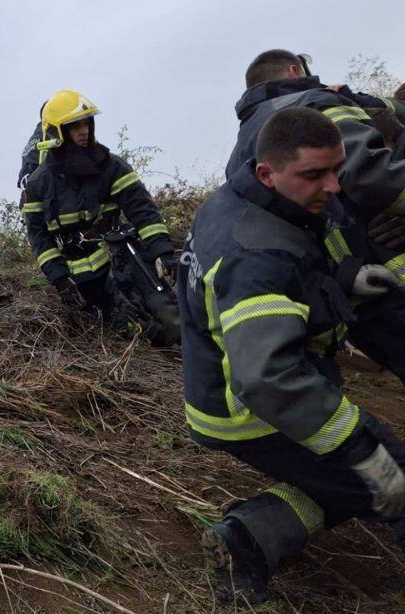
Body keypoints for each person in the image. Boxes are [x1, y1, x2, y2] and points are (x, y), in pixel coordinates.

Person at [178, 107, 405, 605]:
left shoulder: (251, 201)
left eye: (335, 169)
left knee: (349, 483)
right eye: (314, 175)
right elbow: (268, 380)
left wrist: (347, 280)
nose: (334, 186)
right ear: (268, 171)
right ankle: (247, 543)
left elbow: (296, 276)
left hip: (233, 391)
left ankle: (249, 540)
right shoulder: (254, 255)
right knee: (391, 477)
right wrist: (358, 445)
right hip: (252, 410)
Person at [227, 49, 405, 383]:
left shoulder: (239, 155)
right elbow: (376, 177)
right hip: (392, 277)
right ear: (295, 71)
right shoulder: (312, 102)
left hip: (349, 298)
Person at [21, 89, 179, 343]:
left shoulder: (110, 166)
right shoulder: (38, 183)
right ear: (58, 132)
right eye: (75, 126)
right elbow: (39, 237)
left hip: (120, 259)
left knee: (168, 316)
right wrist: (60, 280)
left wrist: (163, 252)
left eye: (87, 123)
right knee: (124, 333)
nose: (84, 131)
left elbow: (141, 210)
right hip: (78, 277)